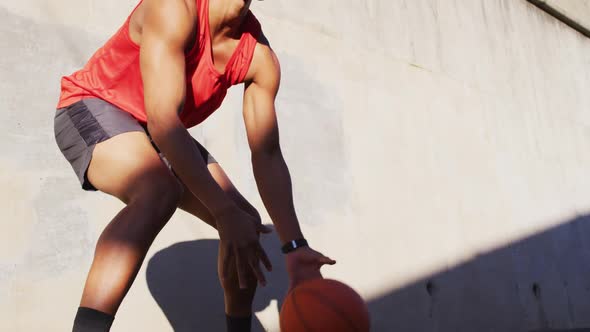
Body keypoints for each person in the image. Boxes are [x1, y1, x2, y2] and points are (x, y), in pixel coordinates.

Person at [53, 0, 336, 331]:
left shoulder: (258, 57)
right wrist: (221, 211)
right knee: (159, 190)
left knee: (246, 223)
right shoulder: (174, 9)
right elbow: (163, 121)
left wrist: (295, 248)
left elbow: (267, 153)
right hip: (92, 105)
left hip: (153, 129)